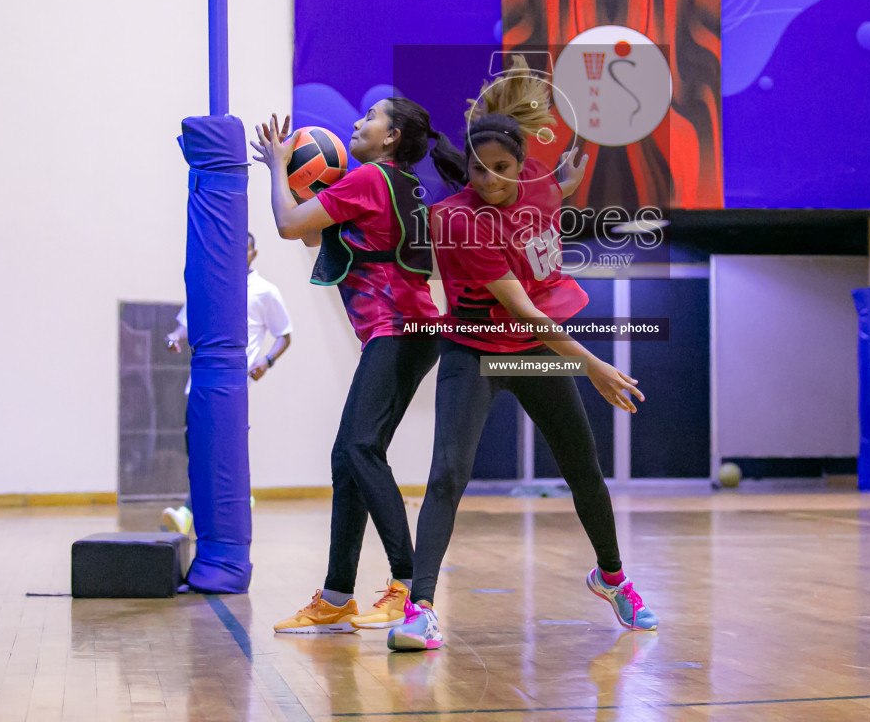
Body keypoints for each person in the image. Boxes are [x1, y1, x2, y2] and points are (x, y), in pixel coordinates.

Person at [388, 58, 657, 652]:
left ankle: (613, 580)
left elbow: (548, 188)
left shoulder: (536, 182)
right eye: (480, 169)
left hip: (532, 353)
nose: (488, 179)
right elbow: (526, 312)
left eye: (502, 169)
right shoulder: (458, 221)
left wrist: (568, 177)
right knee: (447, 476)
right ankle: (420, 611)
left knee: (583, 467)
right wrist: (594, 365)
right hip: (479, 351)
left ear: (520, 164)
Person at [250, 97, 465, 634]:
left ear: (391, 137)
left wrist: (280, 168)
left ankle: (407, 585)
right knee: (349, 458)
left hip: (399, 333)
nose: (357, 123)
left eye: (370, 118)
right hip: (410, 334)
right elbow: (308, 229)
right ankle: (337, 595)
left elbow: (285, 224)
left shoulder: (371, 179)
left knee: (357, 449)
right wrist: (307, 182)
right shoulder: (398, 184)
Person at [160, 231, 293, 535]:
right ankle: (237, 494)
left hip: (232, 386)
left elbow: (284, 335)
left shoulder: (265, 291)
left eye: (244, 249)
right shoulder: (211, 283)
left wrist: (267, 361)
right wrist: (174, 338)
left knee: (215, 450)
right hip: (199, 383)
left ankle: (188, 512)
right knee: (198, 450)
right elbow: (185, 323)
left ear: (253, 254)